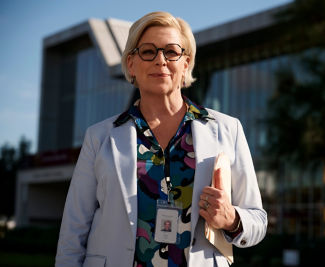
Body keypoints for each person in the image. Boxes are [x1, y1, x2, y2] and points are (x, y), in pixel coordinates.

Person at [55, 11, 267, 267]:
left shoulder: (227, 129)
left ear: (186, 63)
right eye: (148, 51)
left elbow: (258, 220)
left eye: (171, 51)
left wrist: (232, 219)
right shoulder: (98, 137)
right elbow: (73, 231)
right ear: (131, 64)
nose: (160, 60)